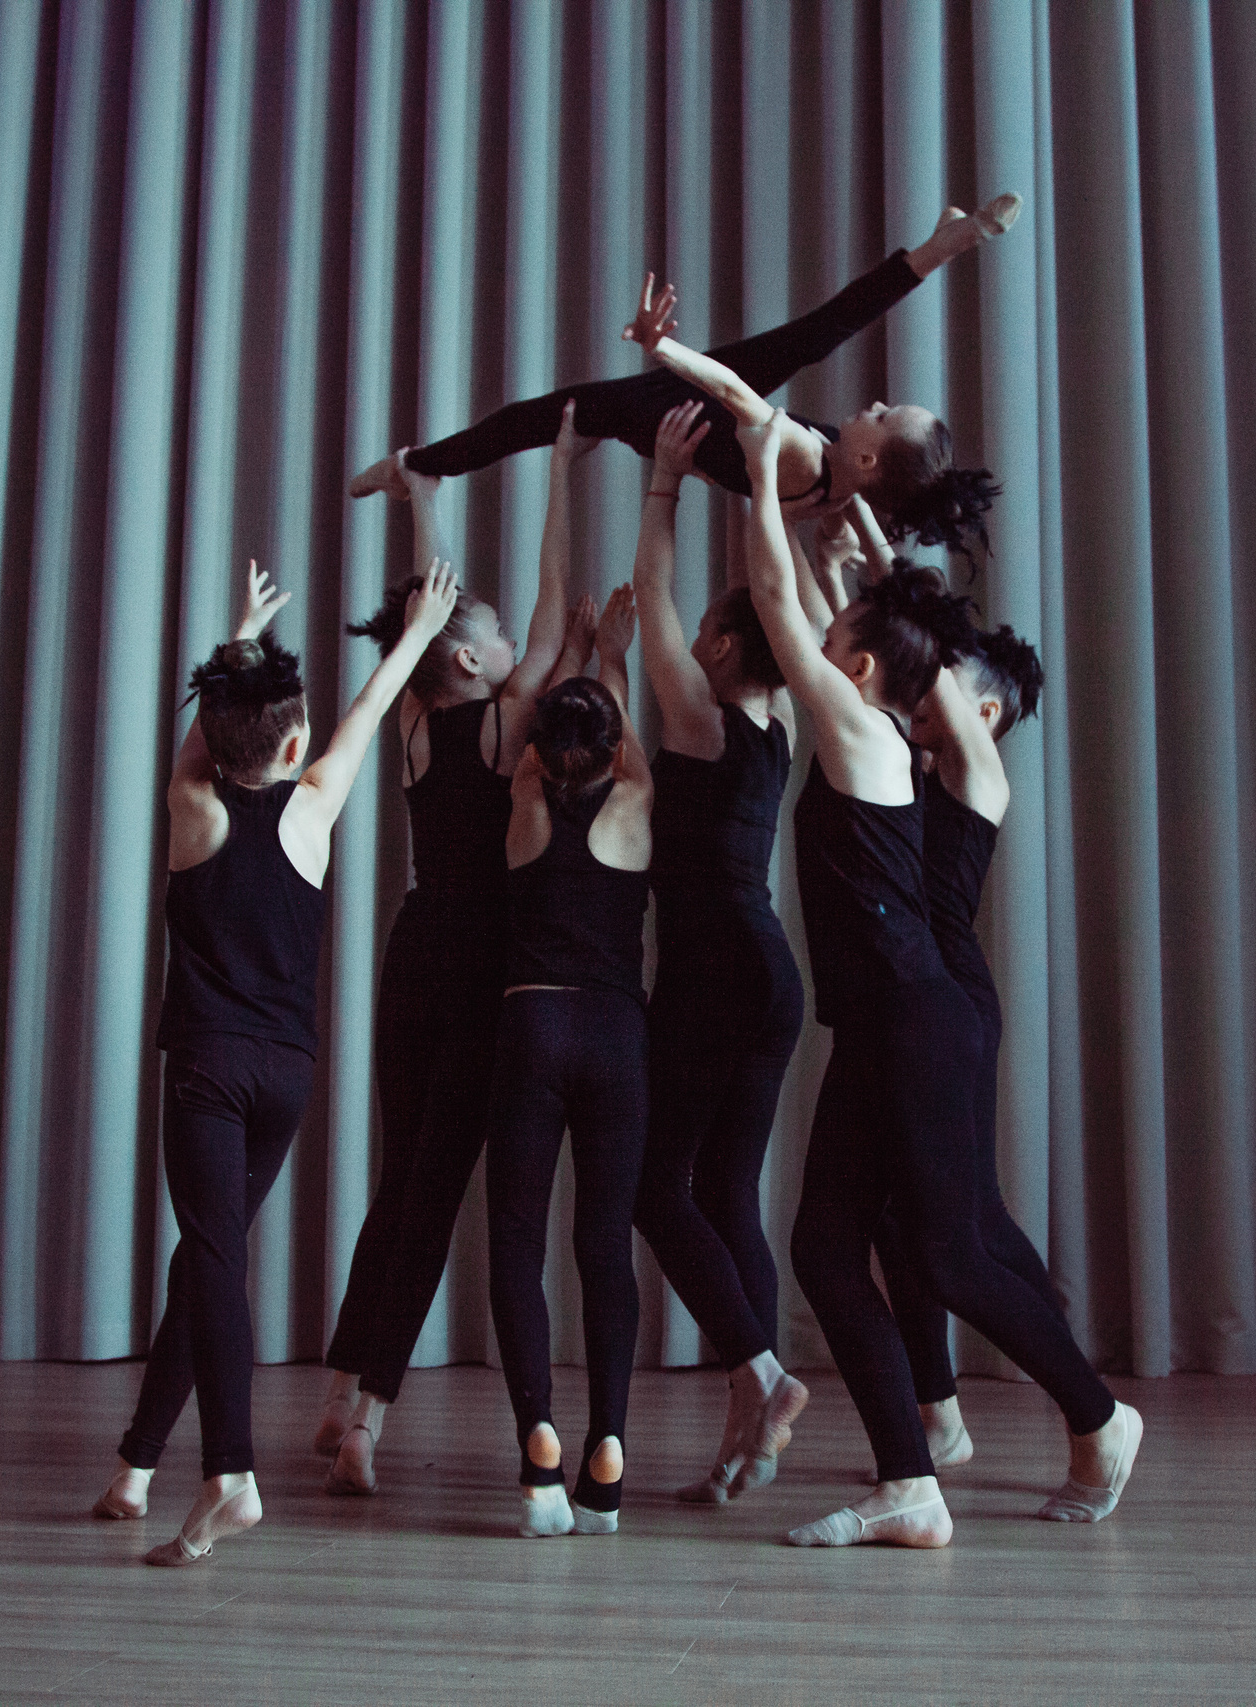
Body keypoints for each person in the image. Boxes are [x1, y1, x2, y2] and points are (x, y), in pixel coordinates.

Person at [735, 412, 1141, 1550]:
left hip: (919, 1021)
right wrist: (853, 554)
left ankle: (1101, 1420)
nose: (824, 646)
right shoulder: (868, 726)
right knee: (829, 1247)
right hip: (885, 1024)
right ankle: (909, 1481)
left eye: (845, 641)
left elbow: (782, 607)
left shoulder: (875, 741)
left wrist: (762, 479)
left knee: (951, 1252)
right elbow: (825, 615)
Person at [94, 558, 461, 1566]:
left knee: (212, 1258)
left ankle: (229, 1475)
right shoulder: (314, 809)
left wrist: (239, 642)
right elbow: (372, 704)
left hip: (209, 1071)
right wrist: (418, 631)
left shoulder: (192, 810)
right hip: (285, 1079)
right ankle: (135, 1463)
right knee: (203, 1259)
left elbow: (209, 737)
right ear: (293, 739)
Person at [311, 410, 596, 1496]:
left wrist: (421, 489)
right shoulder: (500, 716)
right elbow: (537, 595)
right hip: (480, 969)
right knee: (432, 1190)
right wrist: (563, 474)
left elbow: (441, 605)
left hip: (413, 950)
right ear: (473, 659)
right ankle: (368, 1424)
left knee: (400, 1180)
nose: (520, 649)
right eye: (500, 644)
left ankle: (341, 1393)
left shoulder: (418, 723)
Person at [348, 200, 1022, 557]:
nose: (873, 402)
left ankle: (417, 465)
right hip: (703, 424)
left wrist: (661, 348)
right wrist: (865, 545)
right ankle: (943, 243)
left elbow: (729, 389)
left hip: (679, 408)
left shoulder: (801, 455)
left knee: (538, 416)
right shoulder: (841, 489)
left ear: (869, 453)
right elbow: (870, 504)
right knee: (821, 330)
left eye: (883, 411)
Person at [627, 401, 812, 1503]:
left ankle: (760, 1374)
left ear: (723, 646)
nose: (683, 637)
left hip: (711, 973)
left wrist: (661, 484)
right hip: (765, 972)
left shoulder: (700, 719)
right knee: (728, 1195)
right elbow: (737, 601)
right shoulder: (783, 719)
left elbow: (649, 593)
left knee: (658, 1189)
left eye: (703, 630)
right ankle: (752, 1418)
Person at [873, 622, 1069, 1474]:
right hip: (917, 1003)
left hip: (952, 1005)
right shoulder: (912, 764)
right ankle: (938, 1407)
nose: (922, 684)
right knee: (896, 1218)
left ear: (983, 709)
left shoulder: (978, 770)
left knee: (966, 1223)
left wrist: (894, 581)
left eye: (942, 677)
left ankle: (1077, 1387)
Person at [486, 588, 656, 1537]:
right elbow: (616, 744)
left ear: (541, 750)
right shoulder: (635, 798)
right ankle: (610, 1449)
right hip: (617, 1037)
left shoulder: (520, 796)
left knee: (517, 1239)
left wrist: (577, 655)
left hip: (532, 1026)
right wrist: (614, 657)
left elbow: (549, 739)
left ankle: (538, 1447)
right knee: (604, 1247)